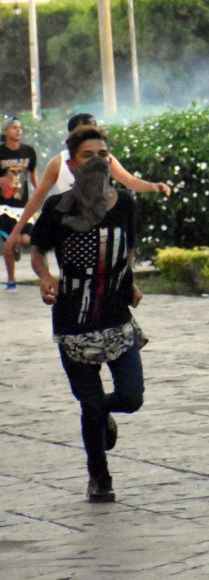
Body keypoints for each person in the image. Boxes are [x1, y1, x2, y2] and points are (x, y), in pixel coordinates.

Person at [30, 125, 148, 503]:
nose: (97, 161)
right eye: (87, 156)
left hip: (116, 319)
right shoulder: (57, 208)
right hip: (74, 323)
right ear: (71, 164)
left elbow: (127, 249)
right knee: (90, 403)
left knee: (131, 397)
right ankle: (99, 476)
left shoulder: (125, 204)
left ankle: (103, 414)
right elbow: (37, 251)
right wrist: (46, 277)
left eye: (103, 155)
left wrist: (128, 280)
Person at [3, 113, 171, 278]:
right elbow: (37, 198)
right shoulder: (58, 163)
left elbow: (129, 181)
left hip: (102, 223)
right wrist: (15, 233)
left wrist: (153, 186)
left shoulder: (105, 159)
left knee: (107, 276)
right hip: (72, 231)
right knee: (78, 279)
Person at [0, 117, 38, 289]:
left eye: (20, 127)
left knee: (25, 240)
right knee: (10, 242)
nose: (18, 131)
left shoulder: (28, 151)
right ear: (6, 131)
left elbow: (33, 176)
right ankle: (11, 279)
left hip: (23, 206)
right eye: (14, 127)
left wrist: (39, 193)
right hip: (4, 206)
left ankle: (15, 247)